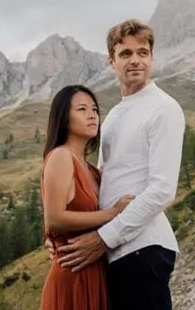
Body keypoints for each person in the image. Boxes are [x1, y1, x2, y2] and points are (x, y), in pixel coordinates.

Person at [54, 18, 186, 310]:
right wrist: (62, 236)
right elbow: (101, 187)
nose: (135, 60)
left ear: (152, 57)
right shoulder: (112, 116)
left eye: (142, 52)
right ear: (111, 61)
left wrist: (103, 238)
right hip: (115, 253)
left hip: (144, 248)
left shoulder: (164, 108)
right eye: (126, 54)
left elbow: (163, 190)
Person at [40, 84, 135, 310]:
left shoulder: (92, 170)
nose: (92, 115)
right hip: (72, 274)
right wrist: (112, 213)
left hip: (95, 269)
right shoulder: (61, 156)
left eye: (94, 109)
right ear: (63, 118)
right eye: (82, 109)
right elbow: (54, 219)